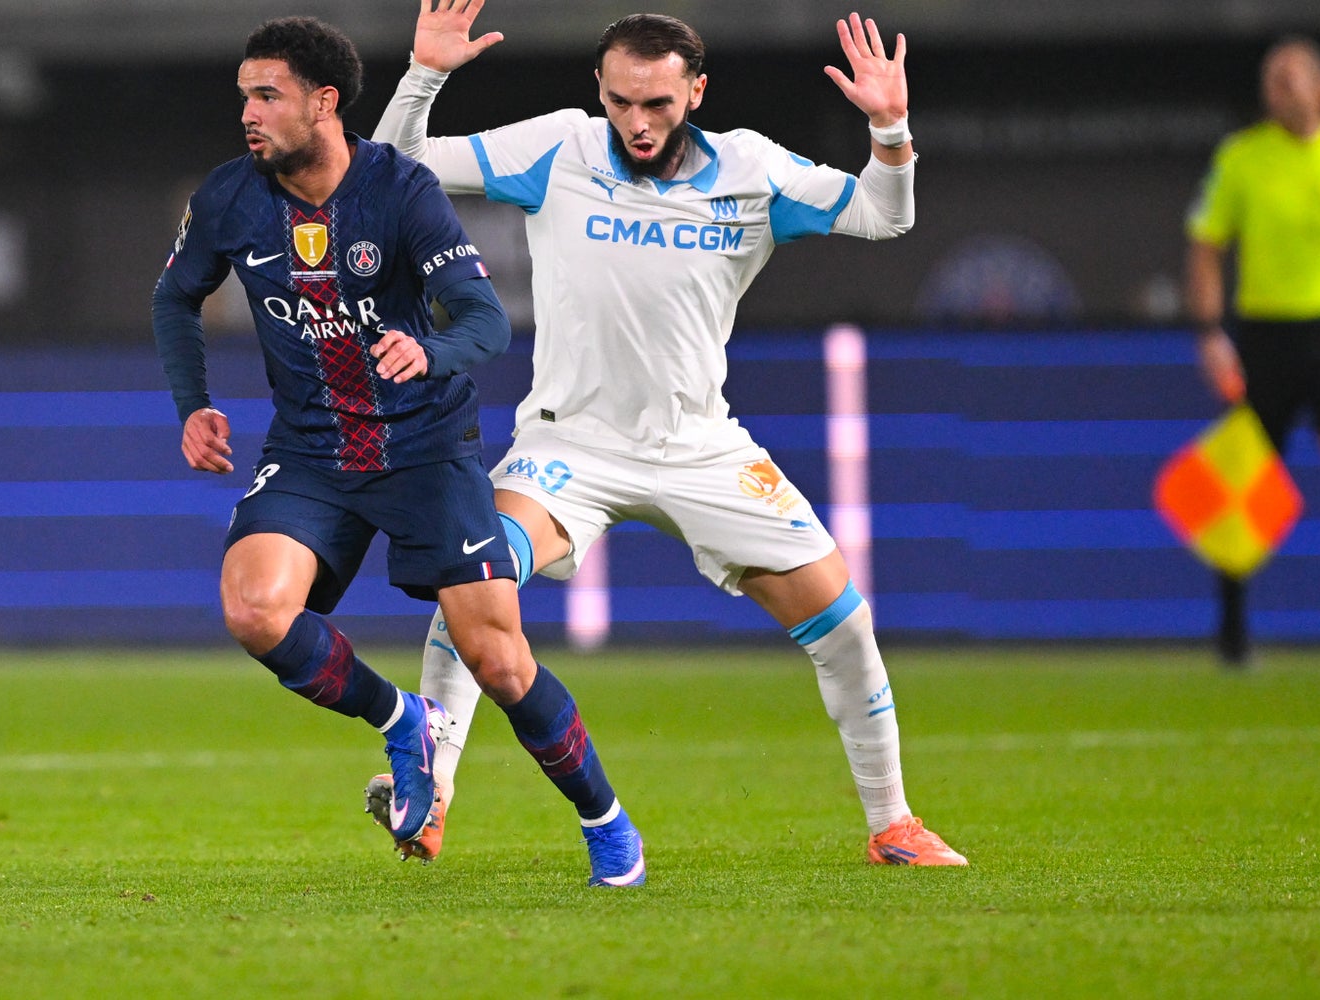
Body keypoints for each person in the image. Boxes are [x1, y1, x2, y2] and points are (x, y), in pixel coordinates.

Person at [369, 2, 966, 866]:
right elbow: (396, 164)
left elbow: (885, 215)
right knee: (476, 577)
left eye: (656, 103)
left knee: (843, 625)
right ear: (601, 94)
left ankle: (892, 825)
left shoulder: (753, 171)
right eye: (621, 102)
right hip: (569, 446)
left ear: (697, 91)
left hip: (702, 450)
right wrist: (425, 76)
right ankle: (432, 798)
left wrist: (890, 126)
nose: (637, 123)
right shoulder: (560, 148)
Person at [152, 16, 646, 886]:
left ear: (324, 103)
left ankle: (605, 820)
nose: (250, 114)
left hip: (425, 447)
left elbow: (486, 321)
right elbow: (174, 299)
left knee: (497, 658)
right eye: (244, 96)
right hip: (312, 451)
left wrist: (431, 350)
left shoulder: (401, 190)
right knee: (254, 609)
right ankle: (401, 719)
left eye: (267, 95)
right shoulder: (230, 198)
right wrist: (193, 407)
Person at [1185, 36, 1320, 667]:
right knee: (1239, 488)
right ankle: (1232, 634)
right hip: (1265, 338)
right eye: (1273, 78)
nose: (1281, 87)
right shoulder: (1242, 157)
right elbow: (1205, 242)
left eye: (1293, 76)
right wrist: (1210, 331)